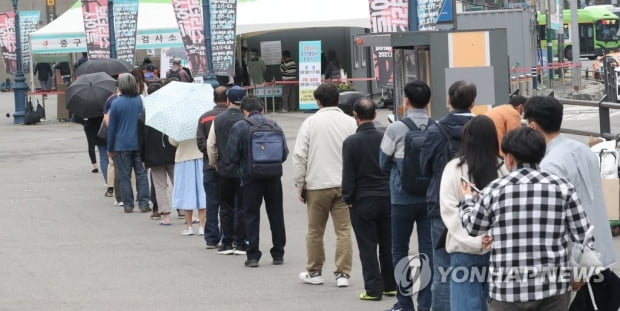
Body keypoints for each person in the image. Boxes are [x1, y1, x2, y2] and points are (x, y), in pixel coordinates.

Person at [460, 127, 593, 311]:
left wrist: (467, 200)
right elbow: (584, 237)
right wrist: (580, 273)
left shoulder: (495, 190)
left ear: (510, 158)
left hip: (506, 291)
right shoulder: (562, 187)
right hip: (553, 289)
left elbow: (473, 227)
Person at [524, 96, 620, 311]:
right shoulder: (583, 150)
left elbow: (556, 221)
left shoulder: (549, 165)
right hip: (599, 247)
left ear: (532, 125)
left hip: (577, 259)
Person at [439, 115, 507, 311]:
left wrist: (475, 240)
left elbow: (449, 211)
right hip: (498, 251)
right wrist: (490, 237)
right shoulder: (503, 168)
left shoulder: (454, 169)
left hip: (463, 251)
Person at [419, 80, 476, 311]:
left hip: (441, 205)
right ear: (473, 102)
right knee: (476, 268)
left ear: (449, 101)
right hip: (480, 206)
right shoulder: (483, 128)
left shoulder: (435, 129)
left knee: (442, 269)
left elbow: (424, 167)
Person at [293, 83, 357, 287]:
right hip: (344, 184)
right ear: (338, 100)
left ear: (318, 101)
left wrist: (299, 183)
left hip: (317, 184)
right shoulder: (350, 122)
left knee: (315, 230)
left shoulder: (310, 123)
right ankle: (343, 274)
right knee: (344, 230)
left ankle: (315, 271)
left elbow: (300, 155)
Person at [379, 81, 434, 311]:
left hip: (401, 198)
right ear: (428, 102)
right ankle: (426, 303)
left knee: (399, 249)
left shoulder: (396, 128)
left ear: (406, 101)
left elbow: (382, 162)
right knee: (427, 251)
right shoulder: (436, 127)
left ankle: (404, 303)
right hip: (429, 198)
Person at [342, 97, 395, 301]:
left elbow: (349, 174)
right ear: (375, 115)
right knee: (388, 244)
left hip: (363, 200)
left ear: (354, 115)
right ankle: (391, 285)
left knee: (367, 246)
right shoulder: (385, 137)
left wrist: (348, 197)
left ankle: (373, 289)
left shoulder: (351, 142)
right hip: (387, 196)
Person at [228, 95, 288, 268]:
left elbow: (232, 156)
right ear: (261, 109)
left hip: (250, 177)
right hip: (274, 177)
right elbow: (283, 153)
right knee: (276, 214)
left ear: (244, 111)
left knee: (251, 215)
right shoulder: (274, 125)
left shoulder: (240, 126)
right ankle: (278, 253)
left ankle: (253, 255)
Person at [207, 86, 247, 255]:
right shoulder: (247, 120)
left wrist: (214, 162)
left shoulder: (218, 119)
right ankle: (241, 241)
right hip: (243, 170)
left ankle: (227, 242)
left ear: (228, 100)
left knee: (226, 206)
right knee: (243, 206)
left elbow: (211, 145)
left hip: (224, 169)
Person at [106, 73, 150, 213]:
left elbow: (112, 128)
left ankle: (128, 204)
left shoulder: (116, 103)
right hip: (140, 143)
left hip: (121, 144)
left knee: (124, 176)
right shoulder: (141, 100)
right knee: (141, 174)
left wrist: (110, 147)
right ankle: (144, 203)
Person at [196, 86, 229, 248]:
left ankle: (211, 238)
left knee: (211, 202)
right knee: (229, 203)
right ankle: (227, 235)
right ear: (228, 99)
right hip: (229, 167)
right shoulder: (232, 117)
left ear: (214, 99)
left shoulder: (204, 118)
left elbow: (201, 143)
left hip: (209, 166)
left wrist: (212, 156)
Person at [139, 84, 176, 225]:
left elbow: (140, 139)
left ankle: (165, 216)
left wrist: (142, 157)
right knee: (177, 182)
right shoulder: (170, 111)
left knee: (160, 185)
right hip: (172, 152)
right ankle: (184, 211)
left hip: (153, 155)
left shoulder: (144, 114)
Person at [169, 135, 206, 235]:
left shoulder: (179, 123)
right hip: (200, 157)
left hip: (183, 158)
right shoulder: (199, 121)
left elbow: (173, 142)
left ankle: (189, 227)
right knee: (202, 191)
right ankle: (201, 226)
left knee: (186, 191)